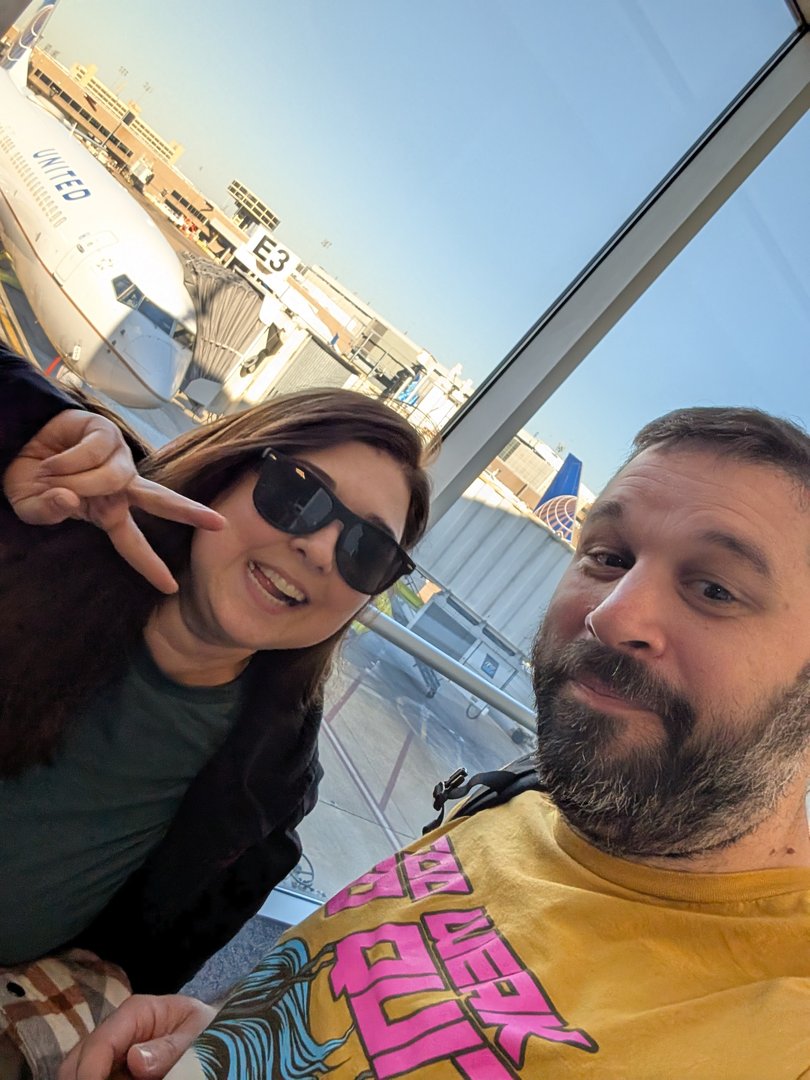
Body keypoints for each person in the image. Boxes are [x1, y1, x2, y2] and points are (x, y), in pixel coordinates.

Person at [60, 404, 810, 1080]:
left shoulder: (777, 1024)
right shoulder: (514, 800)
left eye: (715, 589)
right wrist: (223, 1037)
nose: (613, 615)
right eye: (608, 556)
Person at [0, 344, 434, 998]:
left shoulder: (269, 795)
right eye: (298, 495)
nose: (319, 549)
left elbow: (140, 984)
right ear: (229, 470)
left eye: (366, 551)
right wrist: (25, 420)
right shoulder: (55, 512)